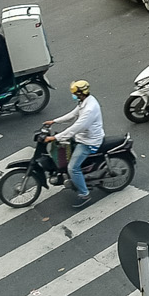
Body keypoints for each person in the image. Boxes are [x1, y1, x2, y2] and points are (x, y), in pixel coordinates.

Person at [47, 80, 104, 208]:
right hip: (82, 137)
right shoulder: (84, 101)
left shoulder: (89, 109)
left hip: (89, 142)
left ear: (80, 93)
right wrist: (54, 121)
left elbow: (75, 128)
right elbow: (73, 115)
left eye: (75, 93)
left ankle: (85, 194)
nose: (73, 95)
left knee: (72, 168)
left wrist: (54, 137)